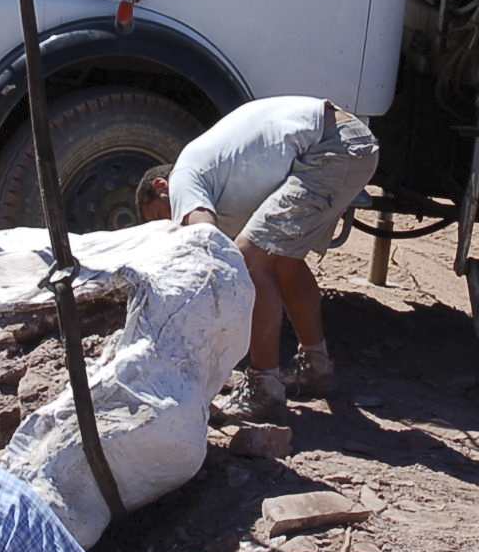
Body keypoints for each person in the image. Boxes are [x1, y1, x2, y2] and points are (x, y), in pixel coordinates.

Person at [138, 95, 379, 422]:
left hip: (330, 147)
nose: (168, 225)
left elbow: (204, 239)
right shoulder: (220, 170)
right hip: (351, 140)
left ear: (160, 186)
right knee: (283, 260)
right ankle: (316, 367)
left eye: (158, 215)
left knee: (250, 258)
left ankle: (263, 388)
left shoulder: (183, 176)